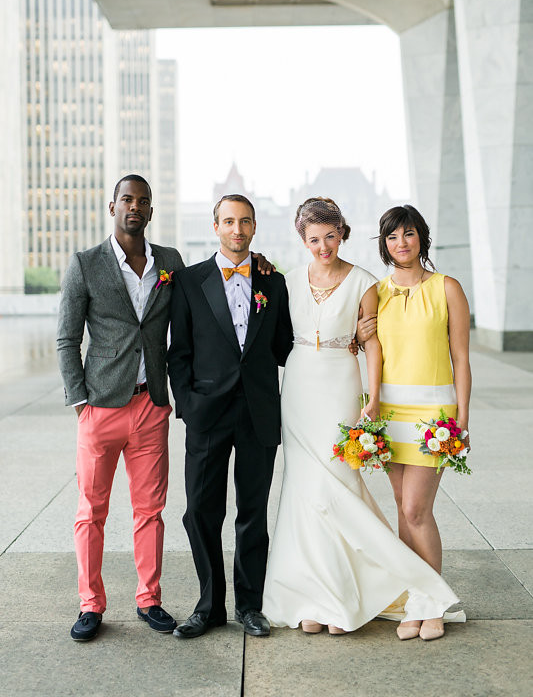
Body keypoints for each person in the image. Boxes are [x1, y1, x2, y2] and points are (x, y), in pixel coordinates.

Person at [262, 198, 463, 641]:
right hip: (298, 388)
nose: (323, 245)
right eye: (314, 239)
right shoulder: (287, 281)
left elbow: (374, 343)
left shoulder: (367, 282)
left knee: (339, 487)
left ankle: (373, 595)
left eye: (331, 235)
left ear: (343, 233)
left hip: (341, 389)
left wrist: (370, 399)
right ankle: (313, 596)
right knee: (303, 492)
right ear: (303, 240)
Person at [57, 174, 184, 641]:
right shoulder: (85, 263)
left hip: (151, 405)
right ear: (112, 206)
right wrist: (80, 402)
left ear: (151, 211)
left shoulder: (169, 262)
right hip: (101, 408)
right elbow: (68, 337)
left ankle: (149, 599)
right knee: (91, 511)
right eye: (127, 199)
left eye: (143, 201)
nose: (135, 206)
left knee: (150, 510)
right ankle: (90, 605)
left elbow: (190, 317)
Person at [167, 194, 293, 640]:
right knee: (200, 511)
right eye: (228, 222)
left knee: (252, 511)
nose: (236, 229)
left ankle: (250, 606)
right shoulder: (187, 281)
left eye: (244, 222)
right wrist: (188, 405)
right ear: (215, 226)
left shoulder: (272, 283)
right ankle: (208, 606)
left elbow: (283, 347)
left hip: (258, 412)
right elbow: (177, 352)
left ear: (255, 227)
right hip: (207, 413)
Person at [357, 204, 471, 640]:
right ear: (384, 244)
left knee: (415, 509)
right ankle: (416, 602)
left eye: (408, 234)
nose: (400, 243)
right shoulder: (376, 292)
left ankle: (434, 602)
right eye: (391, 236)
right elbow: (369, 351)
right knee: (405, 513)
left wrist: (462, 418)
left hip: (433, 418)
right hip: (388, 417)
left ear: (422, 237)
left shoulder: (448, 288)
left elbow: (461, 357)